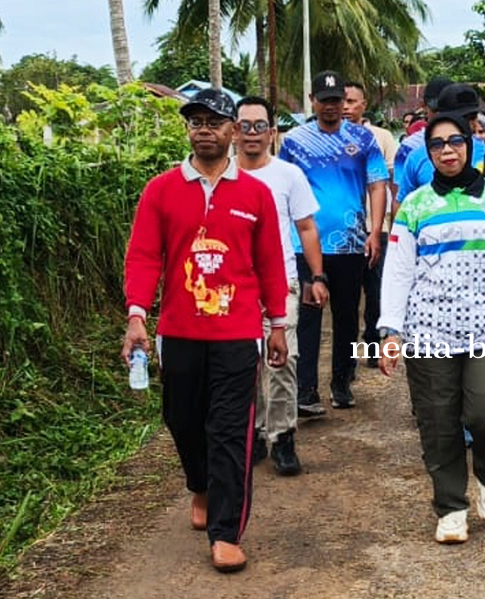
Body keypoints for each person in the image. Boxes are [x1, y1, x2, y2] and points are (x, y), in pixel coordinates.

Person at [121, 89, 289, 572]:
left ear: (233, 130)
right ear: (188, 130)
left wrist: (277, 323)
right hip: (179, 331)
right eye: (196, 121)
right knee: (183, 419)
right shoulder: (161, 190)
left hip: (238, 334)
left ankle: (225, 531)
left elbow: (269, 263)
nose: (204, 129)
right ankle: (199, 482)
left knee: (230, 431)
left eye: (215, 121)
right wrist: (137, 315)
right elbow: (145, 255)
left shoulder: (255, 194)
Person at [377, 111, 485, 544]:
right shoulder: (415, 206)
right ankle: (450, 507)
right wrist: (389, 330)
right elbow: (397, 271)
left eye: (455, 141)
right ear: (428, 152)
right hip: (428, 328)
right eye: (437, 144)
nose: (447, 150)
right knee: (438, 420)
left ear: (470, 144)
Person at [279, 70, 389, 414]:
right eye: (324, 100)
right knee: (309, 317)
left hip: (351, 243)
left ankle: (342, 382)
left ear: (345, 102)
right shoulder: (294, 141)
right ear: (313, 101)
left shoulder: (364, 140)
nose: (331, 106)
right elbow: (282, 187)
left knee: (346, 317)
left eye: (336, 100)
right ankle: (306, 391)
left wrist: (374, 232)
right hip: (304, 245)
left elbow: (376, 185)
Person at [234, 96, 328, 476]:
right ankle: (253, 434)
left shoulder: (289, 175)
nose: (252, 133)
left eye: (260, 126)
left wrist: (316, 277)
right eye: (245, 125)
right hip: (234, 288)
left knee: (283, 360)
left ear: (273, 133)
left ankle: (283, 437)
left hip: (281, 283)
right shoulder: (221, 175)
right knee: (244, 364)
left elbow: (306, 227)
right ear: (234, 130)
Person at [344, 81, 399, 369]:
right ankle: (347, 359)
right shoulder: (326, 138)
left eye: (352, 101)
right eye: (342, 101)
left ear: (364, 105)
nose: (345, 107)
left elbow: (391, 183)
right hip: (344, 233)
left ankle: (374, 344)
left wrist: (390, 224)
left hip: (378, 227)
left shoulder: (382, 137)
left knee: (377, 292)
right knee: (348, 297)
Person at [396, 83, 485, 203]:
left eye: (471, 117)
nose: (466, 123)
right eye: (460, 117)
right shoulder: (417, 158)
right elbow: (402, 205)